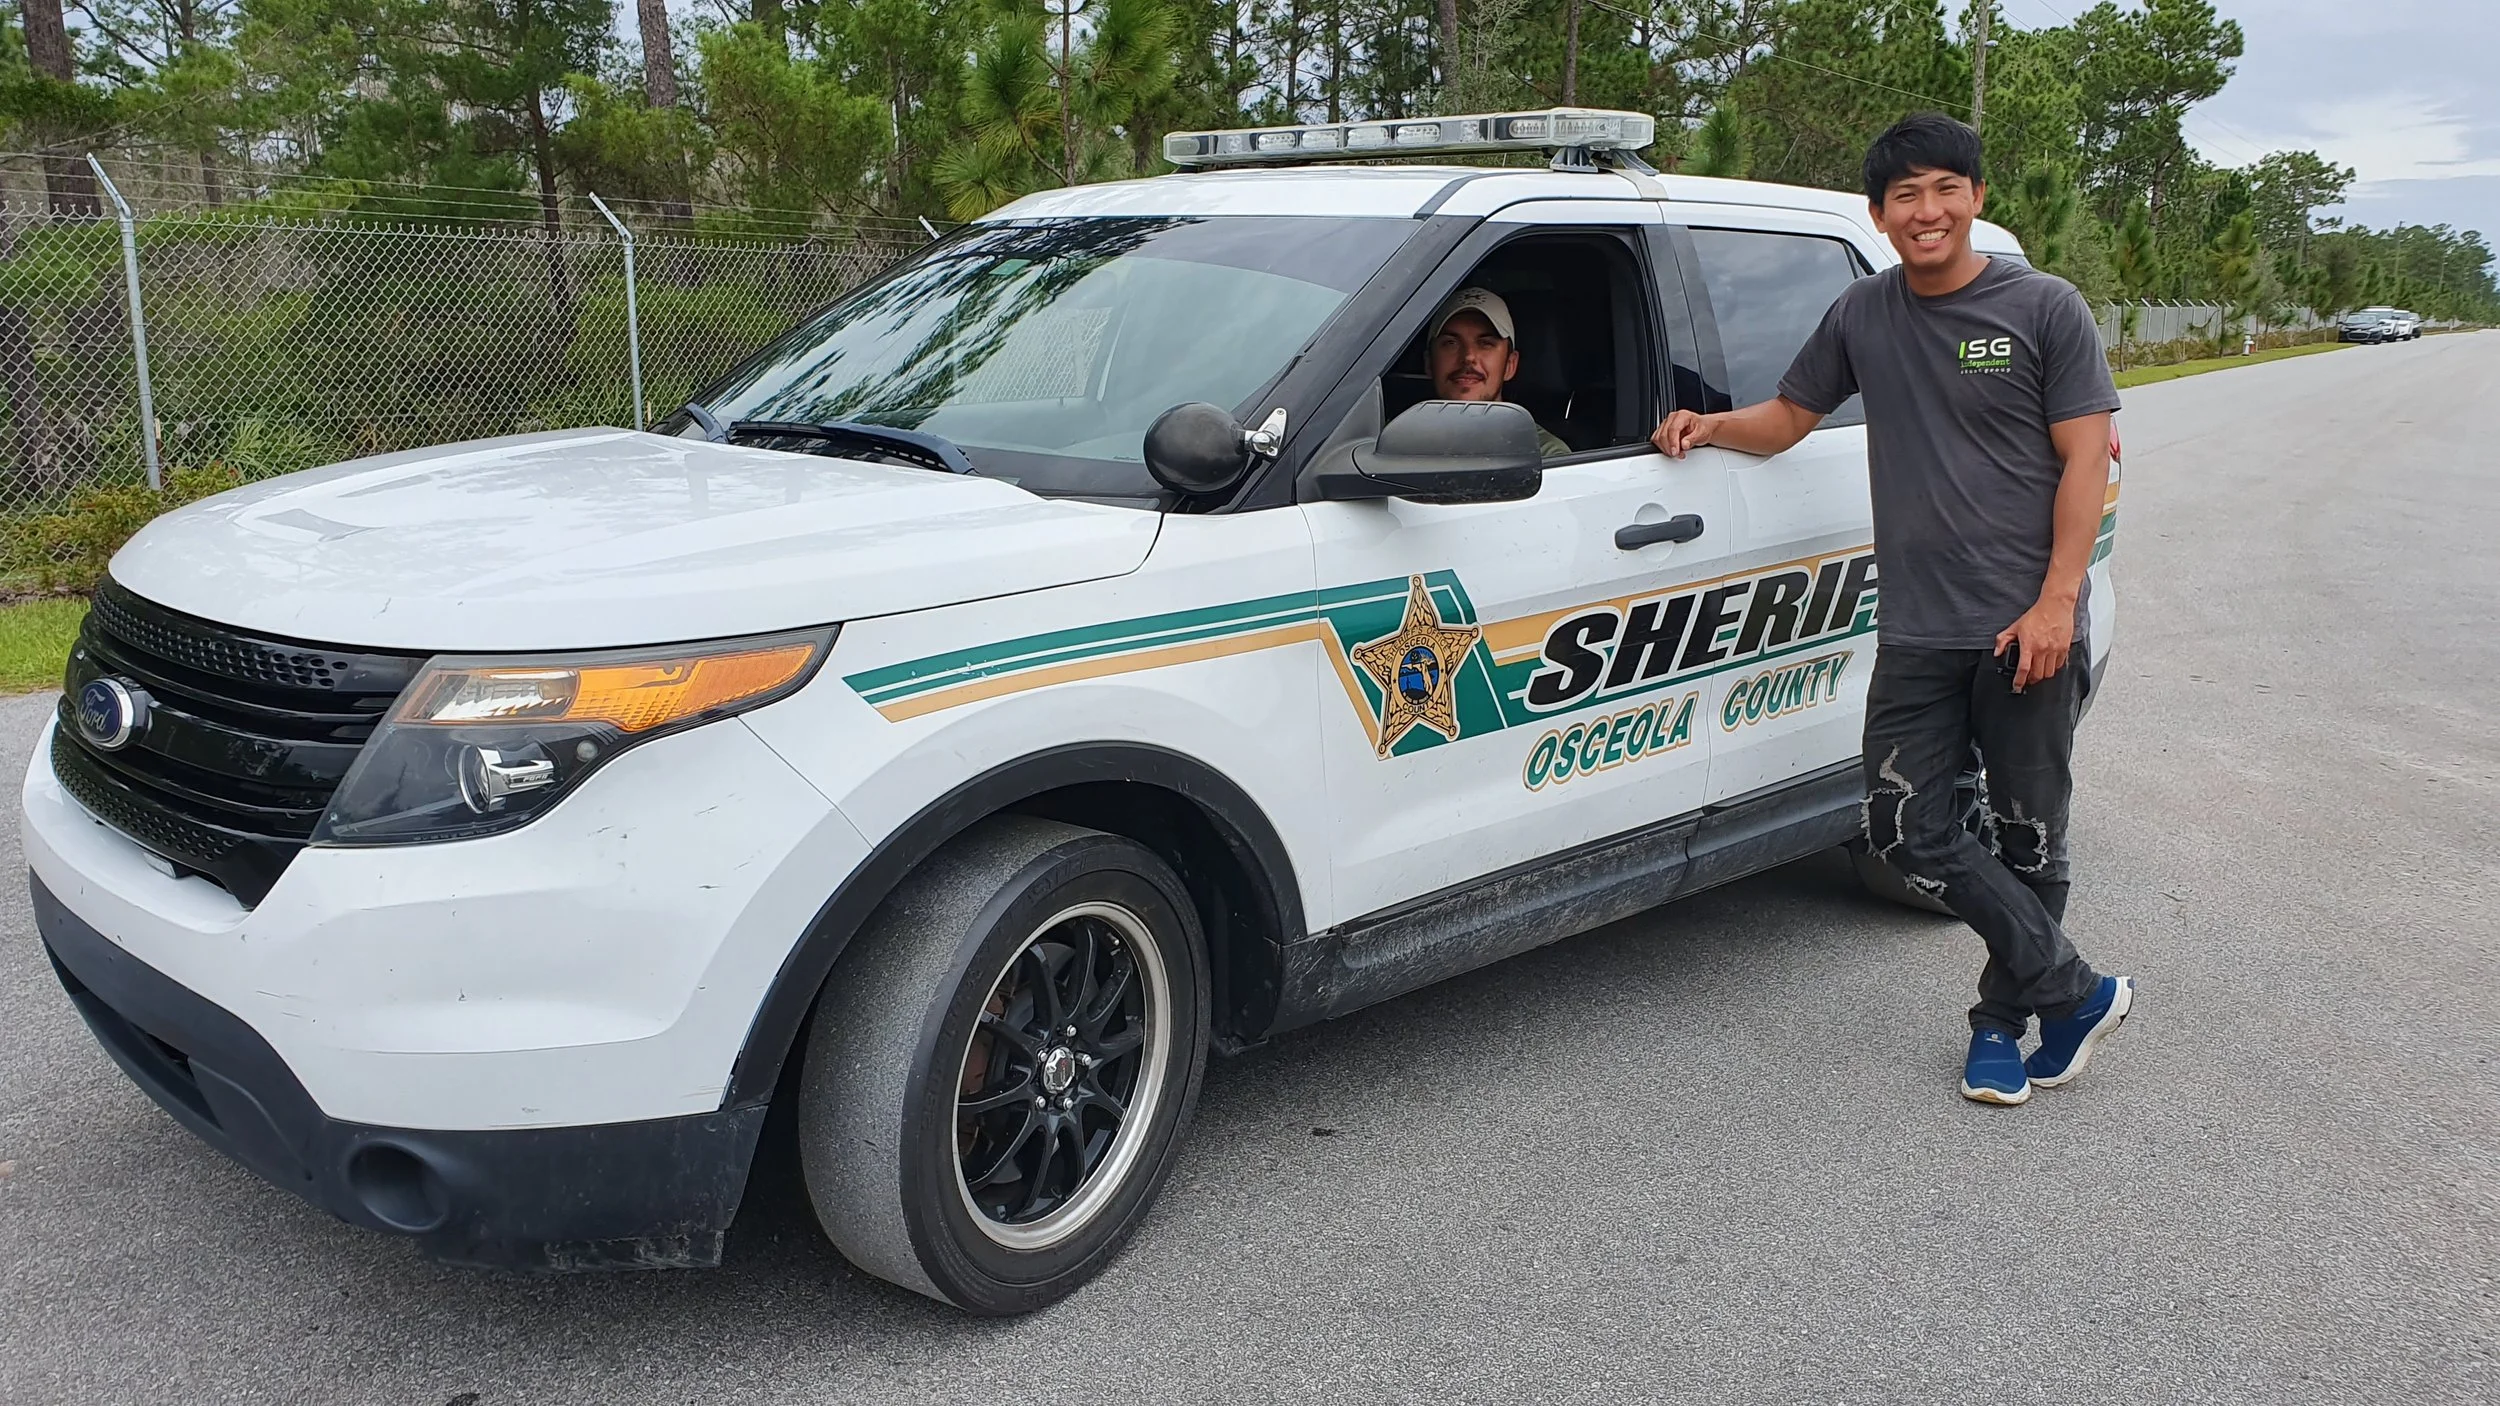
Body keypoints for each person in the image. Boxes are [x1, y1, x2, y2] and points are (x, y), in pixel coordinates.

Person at [1650, 111, 2134, 1107]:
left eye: (1944, 188)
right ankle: (2075, 989)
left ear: (1975, 198)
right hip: (1918, 625)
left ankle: (2001, 1026)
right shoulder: (1863, 314)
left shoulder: (2043, 308)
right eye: (1905, 195)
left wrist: (2056, 602)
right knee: (1907, 828)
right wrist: (1709, 425)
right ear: (1878, 216)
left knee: (2026, 835)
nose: (1927, 210)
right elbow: (1788, 417)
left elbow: (2087, 456)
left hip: (2022, 624)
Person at [1426, 287, 1573, 458]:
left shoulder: (1543, 455)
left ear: (1510, 365)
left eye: (1486, 343)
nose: (1468, 357)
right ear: (1429, 362)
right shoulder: (1396, 445)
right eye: (1451, 343)